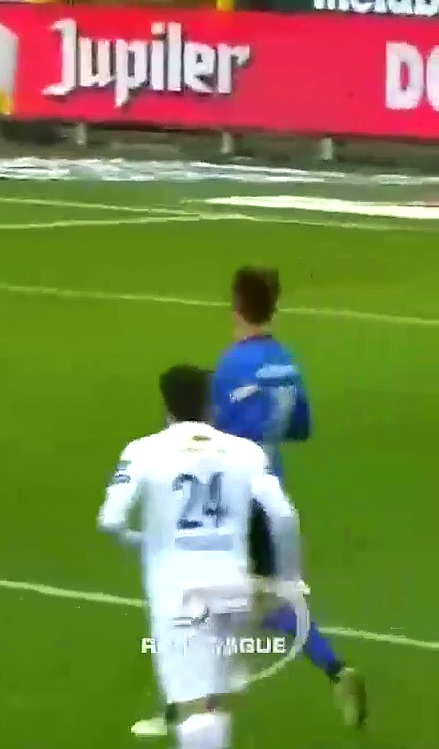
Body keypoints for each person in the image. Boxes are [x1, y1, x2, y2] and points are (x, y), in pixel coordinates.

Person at [132, 269, 366, 738]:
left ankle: (182, 712)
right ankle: (337, 670)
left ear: (237, 305)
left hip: (231, 504)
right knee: (267, 603)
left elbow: (206, 432)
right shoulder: (287, 362)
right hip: (269, 490)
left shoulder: (233, 365)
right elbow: (301, 428)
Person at [98, 364, 305, 749]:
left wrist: (144, 542)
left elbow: (110, 521)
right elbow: (283, 516)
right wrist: (288, 579)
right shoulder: (246, 452)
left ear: (166, 407)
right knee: (214, 701)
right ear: (210, 406)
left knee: (194, 712)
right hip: (233, 589)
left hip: (179, 595)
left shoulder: (143, 451)